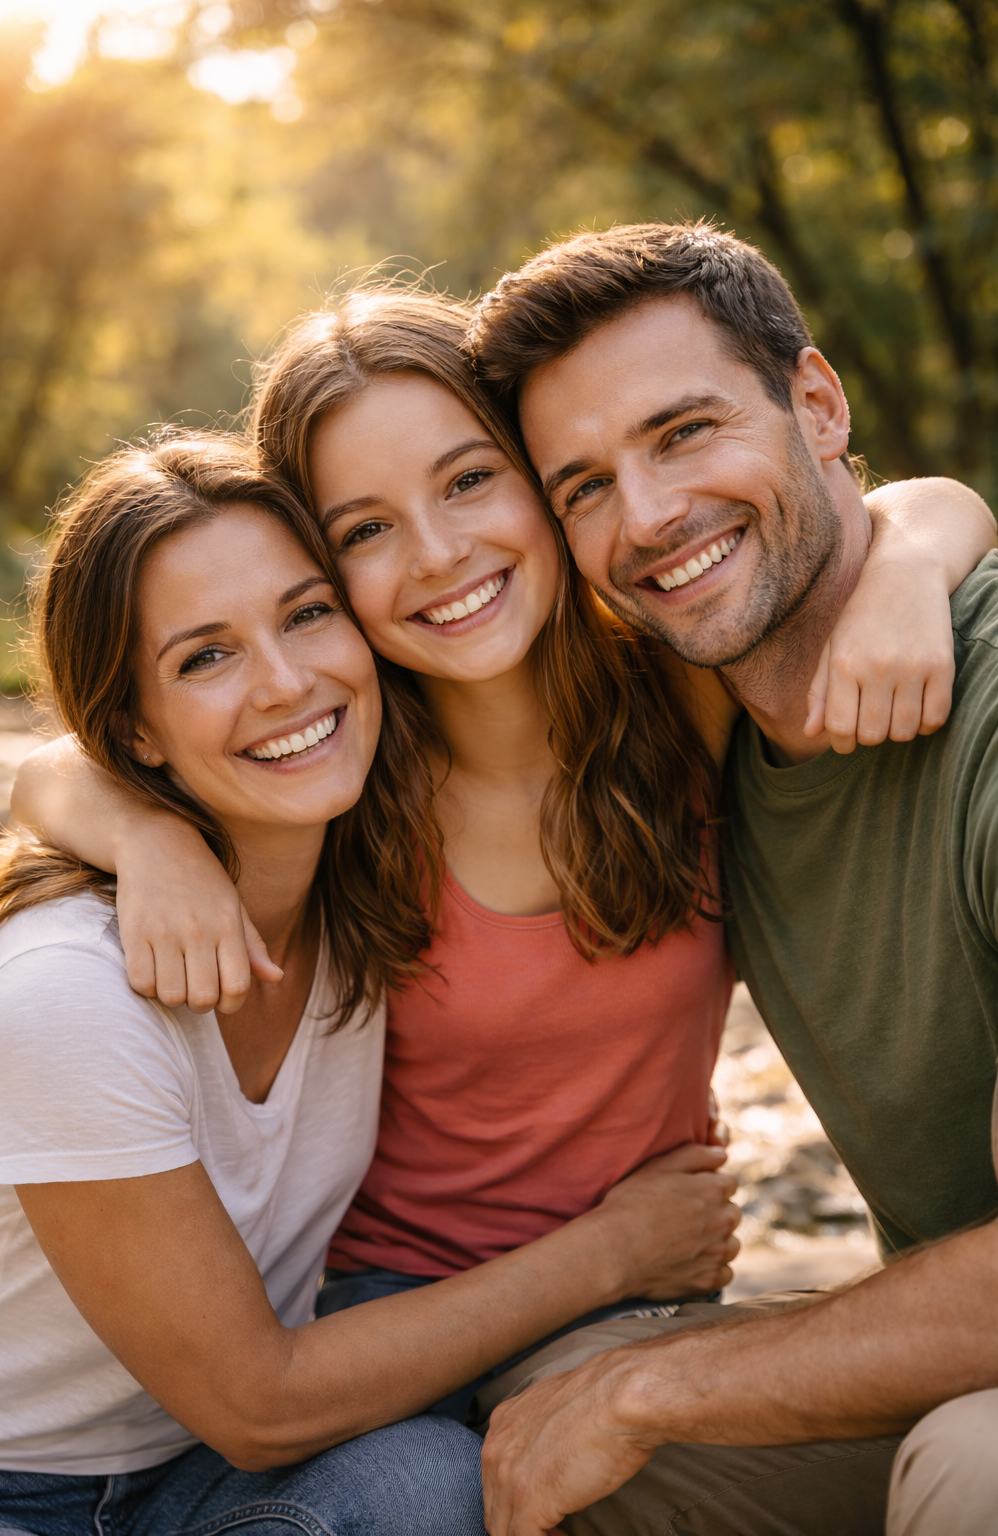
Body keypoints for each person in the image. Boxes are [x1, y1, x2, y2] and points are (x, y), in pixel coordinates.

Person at [10, 292, 993, 1432]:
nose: (439, 556)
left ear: (543, 479)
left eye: (470, 480)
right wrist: (148, 836)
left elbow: (912, 507)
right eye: (364, 531)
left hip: (652, 1290)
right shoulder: (344, 766)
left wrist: (908, 568)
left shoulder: (680, 696)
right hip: (390, 1314)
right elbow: (62, 766)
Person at [0, 432, 769, 1536]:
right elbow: (261, 1405)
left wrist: (146, 830)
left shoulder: (355, 870)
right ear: (132, 731)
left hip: (195, 1476)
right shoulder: (69, 990)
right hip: (10, 1484)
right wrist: (616, 1251)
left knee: (431, 1486)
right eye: (206, 658)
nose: (287, 682)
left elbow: (54, 769)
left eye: (306, 614)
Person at [465, 221, 998, 1536]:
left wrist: (652, 1392)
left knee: (973, 1463)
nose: (648, 517)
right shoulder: (699, 737)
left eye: (685, 431)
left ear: (818, 405)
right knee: (541, 1423)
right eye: (584, 487)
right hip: (959, 1359)